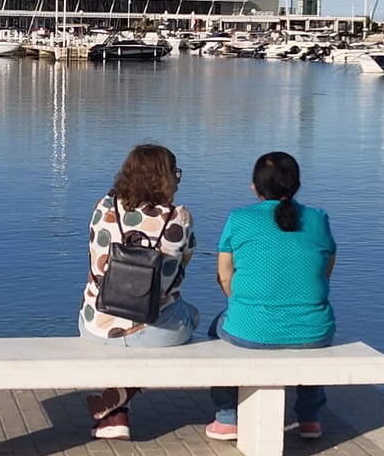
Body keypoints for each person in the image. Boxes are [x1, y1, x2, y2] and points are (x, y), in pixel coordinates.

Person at [207, 151, 336, 441]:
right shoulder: (318, 219)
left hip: (250, 329)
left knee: (217, 328)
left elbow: (224, 275)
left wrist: (241, 304)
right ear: (296, 184)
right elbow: (324, 270)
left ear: (254, 187)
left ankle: (227, 417)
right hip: (314, 329)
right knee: (309, 335)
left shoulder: (238, 218)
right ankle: (310, 418)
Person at [79, 143, 199, 440]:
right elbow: (180, 271)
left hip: (97, 325)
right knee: (191, 315)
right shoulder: (178, 218)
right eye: (176, 174)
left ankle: (116, 414)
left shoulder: (103, 208)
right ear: (167, 178)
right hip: (154, 329)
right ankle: (121, 395)